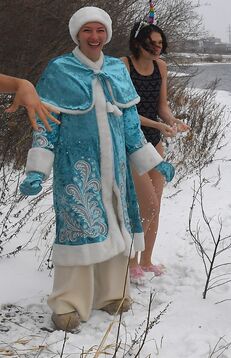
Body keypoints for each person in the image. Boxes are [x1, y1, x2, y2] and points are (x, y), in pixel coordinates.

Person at [18, 6, 175, 332]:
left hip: (116, 173)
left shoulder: (118, 72)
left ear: (107, 34)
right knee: (79, 229)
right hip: (77, 171)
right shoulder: (60, 70)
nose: (94, 37)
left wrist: (156, 162)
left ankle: (112, 293)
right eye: (88, 31)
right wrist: (37, 170)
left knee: (116, 227)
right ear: (78, 34)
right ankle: (68, 303)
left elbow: (132, 129)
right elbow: (46, 126)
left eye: (100, 31)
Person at [120, 17, 189, 282]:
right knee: (142, 204)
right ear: (138, 43)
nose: (158, 47)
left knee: (155, 204)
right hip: (131, 143)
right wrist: (159, 125)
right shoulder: (124, 66)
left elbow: (162, 106)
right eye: (152, 42)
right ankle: (131, 261)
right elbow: (126, 112)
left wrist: (171, 120)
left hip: (154, 142)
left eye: (161, 42)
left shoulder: (161, 67)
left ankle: (146, 259)